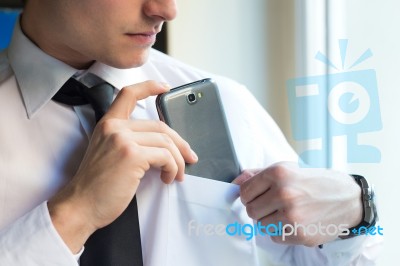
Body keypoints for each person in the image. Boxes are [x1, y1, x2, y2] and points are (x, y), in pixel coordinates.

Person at [0, 0, 382, 265]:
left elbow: (318, 255)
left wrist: (356, 211)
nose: (166, 10)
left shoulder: (226, 103)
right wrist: (76, 212)